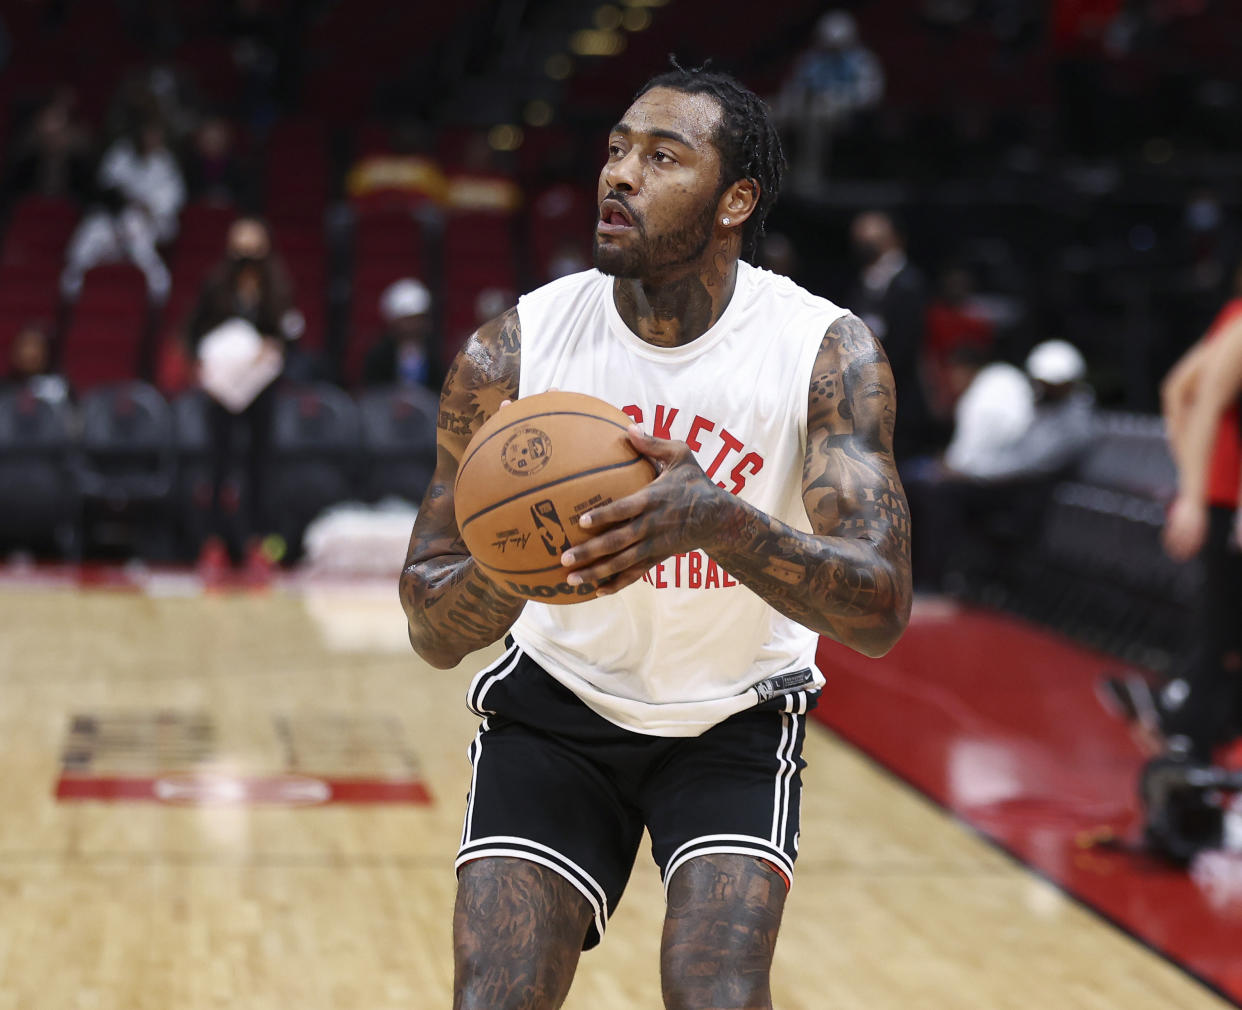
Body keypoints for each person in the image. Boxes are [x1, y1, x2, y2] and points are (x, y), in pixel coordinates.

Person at [398, 65, 911, 1008]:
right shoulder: (514, 350)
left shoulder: (822, 351)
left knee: (716, 994)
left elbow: (878, 607)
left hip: (734, 718)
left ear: (735, 200)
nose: (620, 175)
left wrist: (718, 521)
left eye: (663, 156)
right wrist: (524, 564)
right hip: (554, 709)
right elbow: (431, 625)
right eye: (617, 149)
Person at [1104, 266, 1242, 763]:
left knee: (1221, 628)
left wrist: (1195, 482)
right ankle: (1189, 736)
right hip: (1227, 500)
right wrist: (1198, 491)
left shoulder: (1232, 317)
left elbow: (1174, 391)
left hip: (1222, 498)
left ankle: (1182, 718)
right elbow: (1199, 402)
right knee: (1222, 633)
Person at [184, 216, 300, 582]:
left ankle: (257, 544)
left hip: (259, 386)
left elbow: (287, 332)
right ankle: (214, 544)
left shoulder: (276, 287)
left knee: (259, 466)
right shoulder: (216, 285)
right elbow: (193, 330)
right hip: (222, 387)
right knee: (217, 464)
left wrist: (273, 346)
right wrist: (205, 359)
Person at [59, 118, 185, 304]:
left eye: (157, 134)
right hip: (117, 215)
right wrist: (127, 201)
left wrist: (148, 206)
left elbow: (174, 197)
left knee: (135, 226)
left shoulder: (166, 162)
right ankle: (72, 282)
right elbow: (106, 186)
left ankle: (158, 282)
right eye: (149, 133)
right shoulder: (122, 153)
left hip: (155, 222)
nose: (152, 138)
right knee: (94, 227)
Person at [847, 210, 931, 460]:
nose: (864, 246)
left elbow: (906, 345)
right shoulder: (864, 281)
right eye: (859, 241)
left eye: (871, 240)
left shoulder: (909, 284)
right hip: (865, 391)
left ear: (893, 239)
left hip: (898, 392)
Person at [773, 9, 885, 190]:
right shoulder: (812, 59)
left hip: (842, 111)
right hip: (806, 104)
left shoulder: (862, 61)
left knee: (814, 117)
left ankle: (808, 178)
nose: (831, 49)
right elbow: (794, 87)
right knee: (772, 113)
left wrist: (836, 97)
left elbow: (869, 96)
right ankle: (778, 172)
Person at [361, 278, 435, 390]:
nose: (415, 325)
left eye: (419, 319)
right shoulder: (378, 356)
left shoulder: (434, 354)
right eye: (409, 320)